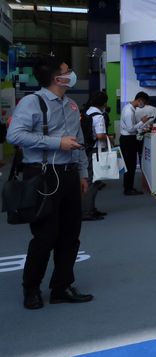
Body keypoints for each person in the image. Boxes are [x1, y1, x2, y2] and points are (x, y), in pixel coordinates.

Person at [7, 57, 93, 310]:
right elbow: (15, 135)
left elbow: (77, 141)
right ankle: (31, 288)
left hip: (68, 175)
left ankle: (62, 286)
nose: (72, 74)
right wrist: (57, 143)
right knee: (45, 236)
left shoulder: (72, 106)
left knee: (70, 234)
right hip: (43, 175)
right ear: (58, 78)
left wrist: (82, 173)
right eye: (68, 71)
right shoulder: (32, 102)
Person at [82, 91, 110, 221]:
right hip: (95, 150)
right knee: (93, 181)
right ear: (103, 103)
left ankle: (90, 208)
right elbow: (99, 136)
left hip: (87, 148)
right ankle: (87, 211)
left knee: (90, 179)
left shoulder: (87, 112)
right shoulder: (99, 116)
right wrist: (108, 137)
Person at [119, 91, 150, 195]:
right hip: (128, 140)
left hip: (127, 139)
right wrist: (142, 122)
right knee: (130, 165)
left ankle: (128, 187)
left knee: (130, 164)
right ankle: (128, 189)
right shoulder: (129, 111)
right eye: (144, 102)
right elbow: (130, 129)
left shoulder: (129, 108)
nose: (144, 105)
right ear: (139, 100)